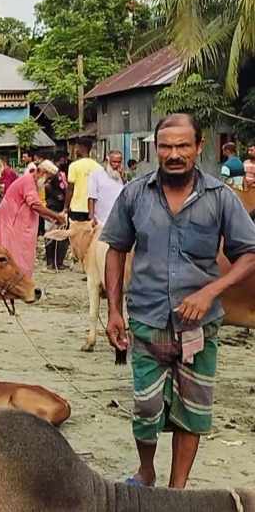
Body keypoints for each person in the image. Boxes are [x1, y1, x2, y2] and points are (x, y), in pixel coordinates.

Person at [102, 113, 255, 490]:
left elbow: (249, 254)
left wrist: (210, 292)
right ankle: (146, 471)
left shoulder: (221, 198)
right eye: (166, 146)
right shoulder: (135, 194)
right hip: (147, 320)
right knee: (146, 407)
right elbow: (116, 249)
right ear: (156, 148)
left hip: (197, 328)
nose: (174, 154)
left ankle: (177, 489)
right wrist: (113, 310)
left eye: (183, 146)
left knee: (193, 409)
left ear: (198, 147)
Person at [0, 160, 67, 278]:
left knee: (22, 249)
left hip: (18, 217)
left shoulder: (33, 182)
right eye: (47, 179)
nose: (47, 183)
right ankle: (15, 277)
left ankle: (19, 277)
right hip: (12, 217)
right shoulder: (28, 181)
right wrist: (56, 216)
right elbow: (35, 205)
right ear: (41, 172)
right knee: (15, 250)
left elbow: (36, 206)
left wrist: (51, 219)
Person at [43, 156, 70, 270]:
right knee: (54, 235)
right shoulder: (54, 178)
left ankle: (54, 262)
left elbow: (64, 192)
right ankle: (54, 262)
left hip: (55, 209)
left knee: (55, 236)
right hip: (53, 209)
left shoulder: (56, 178)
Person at [65, 140, 102, 223]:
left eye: (76, 148)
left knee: (76, 231)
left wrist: (65, 207)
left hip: (76, 208)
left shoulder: (74, 166)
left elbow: (70, 188)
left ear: (82, 148)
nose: (75, 150)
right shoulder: (98, 167)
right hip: (93, 209)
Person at [88, 150, 125, 229]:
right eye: (114, 162)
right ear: (108, 161)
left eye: (119, 162)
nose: (116, 165)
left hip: (119, 220)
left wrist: (122, 177)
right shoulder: (96, 175)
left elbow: (127, 193)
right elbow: (91, 197)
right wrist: (91, 216)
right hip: (100, 221)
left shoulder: (122, 177)